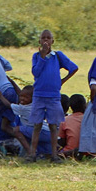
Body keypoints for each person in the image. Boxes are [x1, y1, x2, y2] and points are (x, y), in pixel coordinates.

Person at [26, 30, 78, 163]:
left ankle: (54, 155)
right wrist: (42, 57)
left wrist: (62, 81)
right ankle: (32, 154)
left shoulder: (58, 56)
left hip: (53, 96)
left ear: (52, 41)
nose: (45, 40)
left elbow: (73, 68)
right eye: (43, 38)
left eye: (48, 38)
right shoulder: (36, 56)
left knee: (53, 126)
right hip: (38, 95)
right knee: (36, 125)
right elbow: (36, 72)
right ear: (39, 41)